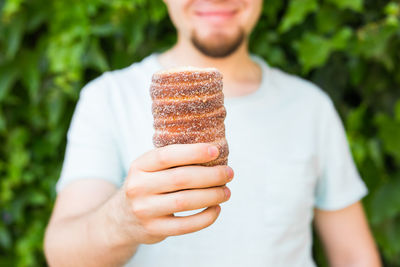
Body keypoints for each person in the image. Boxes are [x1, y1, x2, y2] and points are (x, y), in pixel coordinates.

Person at [44, 0, 382, 266]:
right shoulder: (108, 98)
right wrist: (122, 219)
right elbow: (62, 255)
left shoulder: (311, 106)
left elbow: (353, 257)